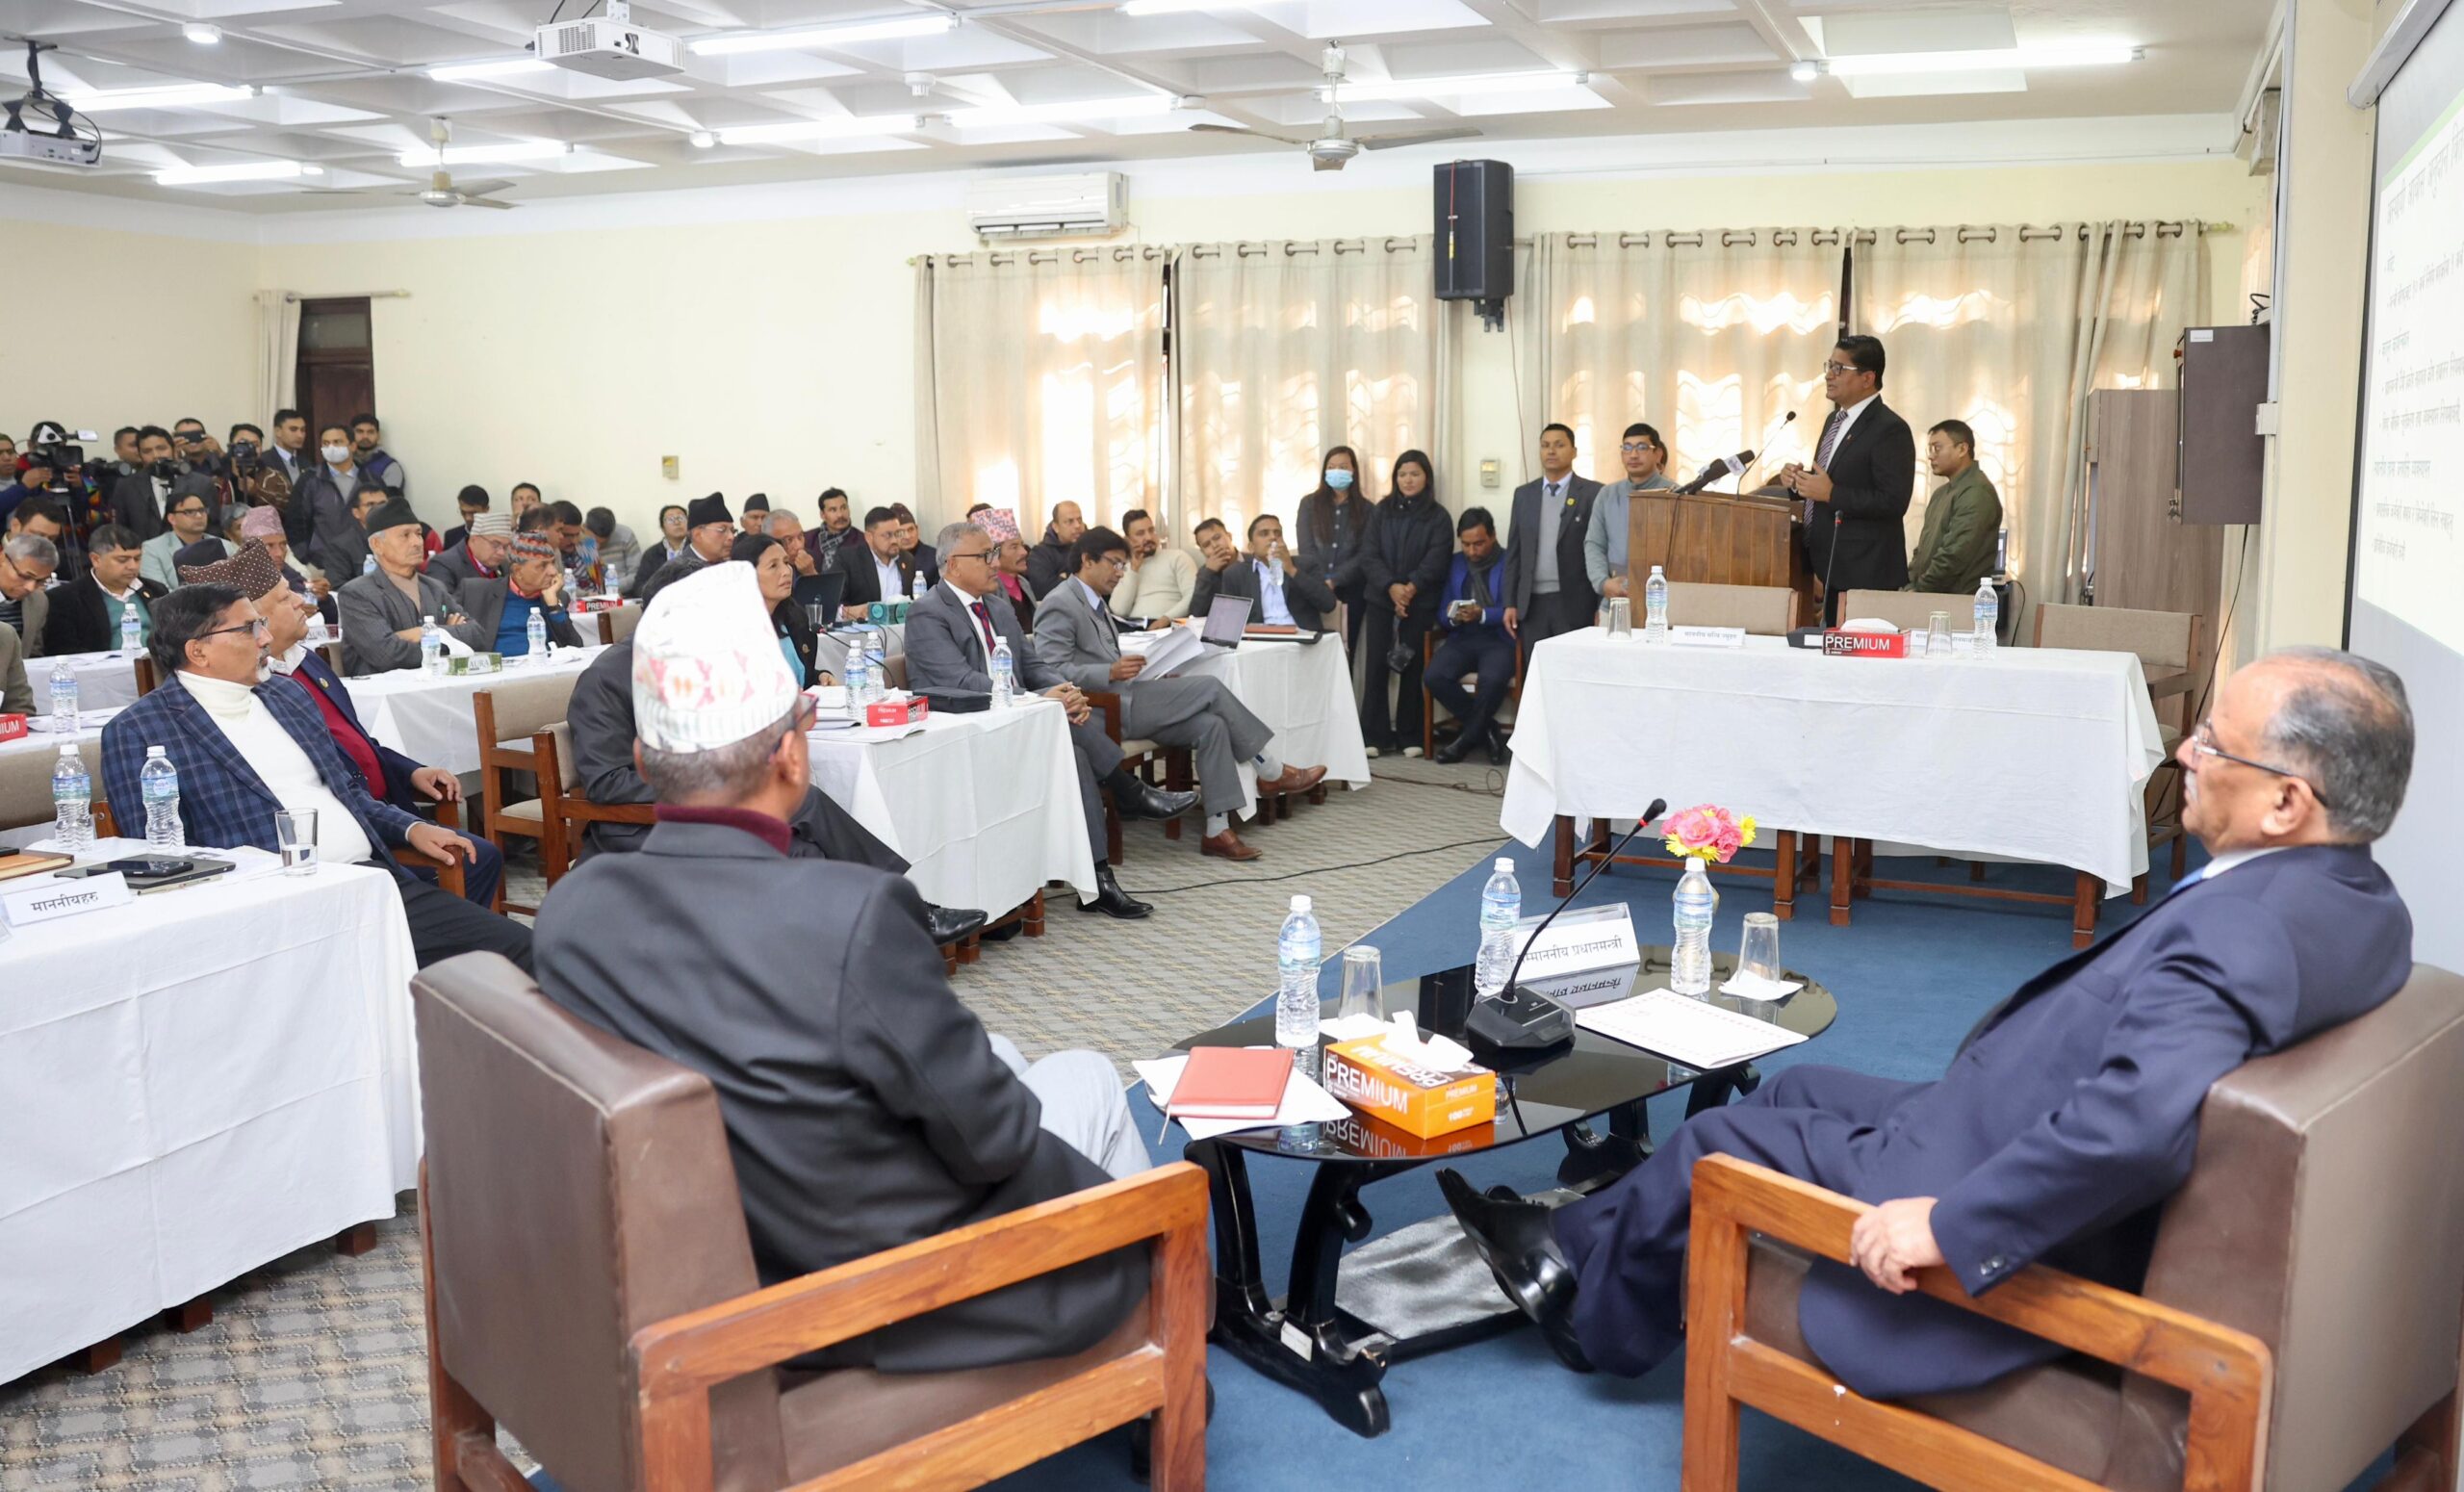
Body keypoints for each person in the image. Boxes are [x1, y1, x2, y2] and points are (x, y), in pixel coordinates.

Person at [1442, 647, 2416, 1398]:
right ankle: (1572, 1237)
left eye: (2212, 743)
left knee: (1716, 1141)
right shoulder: (2364, 903)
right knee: (1796, 1086)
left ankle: (1595, 1318)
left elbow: (2133, 1128)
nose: (2184, 753)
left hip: (1988, 1179)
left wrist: (1954, 1225)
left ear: (2287, 801)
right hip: (2002, 1116)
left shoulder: (2245, 932)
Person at [535, 562, 1146, 1373]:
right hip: (873, 1293)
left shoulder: (572, 910)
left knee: (1000, 1054)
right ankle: (1154, 1324)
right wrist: (1102, 1211)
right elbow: (995, 1142)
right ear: (794, 758)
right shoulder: (849, 916)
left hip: (712, 1259)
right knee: (1089, 1080)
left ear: (645, 762)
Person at [102, 582, 531, 968]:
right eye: (249, 628)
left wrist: (411, 827)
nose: (265, 638)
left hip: (370, 882)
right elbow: (160, 857)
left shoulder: (285, 694)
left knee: (523, 949)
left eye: (261, 624)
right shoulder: (139, 730)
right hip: (271, 914)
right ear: (198, 651)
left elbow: (347, 791)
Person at [560, 574, 988, 946]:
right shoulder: (607, 679)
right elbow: (606, 781)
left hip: (713, 807)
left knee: (805, 818)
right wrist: (714, 780)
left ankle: (894, 920)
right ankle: (899, 921)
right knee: (800, 843)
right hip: (641, 823)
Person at [909, 521, 1198, 918]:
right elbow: (960, 681)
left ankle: (1099, 880)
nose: (995, 563)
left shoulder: (997, 606)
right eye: (985, 555)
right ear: (954, 564)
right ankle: (1127, 794)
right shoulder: (927, 613)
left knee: (1074, 753)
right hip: (970, 732)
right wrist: (1038, 699)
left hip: (1020, 721)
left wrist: (1064, 689)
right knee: (1065, 733)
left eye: (994, 553)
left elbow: (1033, 665)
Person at [1036, 527, 1322, 862]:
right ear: (1087, 560)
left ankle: (1217, 830)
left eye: (1123, 565)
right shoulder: (1060, 603)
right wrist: (1108, 672)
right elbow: (1050, 671)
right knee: (1210, 686)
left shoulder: (1095, 600)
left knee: (1212, 725)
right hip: (1103, 709)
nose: (1120, 573)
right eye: (1115, 563)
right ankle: (1270, 770)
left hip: (1126, 697)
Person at [1783, 334, 1918, 623]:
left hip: (1866, 572)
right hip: (1830, 566)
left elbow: (1893, 501)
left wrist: (1832, 494)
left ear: (1867, 378)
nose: (1828, 375)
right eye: (1829, 366)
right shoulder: (1834, 420)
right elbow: (1828, 483)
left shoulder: (1890, 429)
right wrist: (1799, 483)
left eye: (1839, 368)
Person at [1358, 450, 1450, 759]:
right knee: (1376, 666)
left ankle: (1410, 734)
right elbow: (1369, 554)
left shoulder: (1438, 516)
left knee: (1412, 666)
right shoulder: (1381, 512)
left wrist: (1409, 589)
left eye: (1414, 474)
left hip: (1419, 602)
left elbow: (1436, 560)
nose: (1408, 480)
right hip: (1380, 599)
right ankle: (1374, 734)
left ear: (1426, 478)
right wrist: (1391, 587)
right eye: (1402, 474)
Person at [337, 498, 488, 674]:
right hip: (384, 688)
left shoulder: (434, 587)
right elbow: (387, 655)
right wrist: (450, 640)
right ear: (377, 545)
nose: (417, 542)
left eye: (418, 533)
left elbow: (477, 635)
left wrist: (423, 633)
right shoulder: (357, 594)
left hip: (438, 683)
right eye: (405, 535)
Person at [1502, 423, 1603, 661]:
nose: (1551, 451)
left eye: (1559, 445)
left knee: (1573, 666)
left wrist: (1601, 605)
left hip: (1574, 601)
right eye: (1545, 445)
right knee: (1538, 668)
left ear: (1574, 451)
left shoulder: (1592, 493)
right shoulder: (1524, 494)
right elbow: (1514, 552)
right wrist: (1510, 602)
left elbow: (1601, 551)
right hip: (1531, 603)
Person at [1427, 507, 1514, 765]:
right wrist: (1454, 617)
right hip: (1462, 637)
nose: (1472, 551)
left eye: (1478, 544)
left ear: (1493, 536)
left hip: (1498, 638)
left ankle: (1464, 742)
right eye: (1466, 545)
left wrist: (1483, 614)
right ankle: (1488, 730)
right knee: (1434, 676)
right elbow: (1442, 611)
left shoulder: (1509, 561)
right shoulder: (1454, 563)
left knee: (1493, 679)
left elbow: (1515, 609)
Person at [1582, 422, 1678, 602]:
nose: (1633, 455)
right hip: (1615, 599)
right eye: (1627, 448)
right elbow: (1594, 544)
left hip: (1664, 602)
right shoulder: (1607, 494)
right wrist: (1603, 583)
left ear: (1658, 454)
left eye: (1642, 447)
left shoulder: (1677, 495)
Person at [1191, 514, 1338, 630]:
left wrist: (1291, 570)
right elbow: (1222, 622)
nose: (1272, 537)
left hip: (1302, 639)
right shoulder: (1235, 573)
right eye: (1264, 533)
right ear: (1251, 547)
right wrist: (1208, 574)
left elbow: (1329, 604)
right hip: (1260, 642)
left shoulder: (1304, 564)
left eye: (1277, 533)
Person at [1907, 419, 2003, 596]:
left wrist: (1920, 589)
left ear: (1962, 449)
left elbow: (1955, 554)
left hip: (1956, 601)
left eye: (1937, 448)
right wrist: (1910, 584)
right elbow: (1922, 551)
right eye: (1930, 449)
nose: (1931, 456)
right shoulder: (1941, 493)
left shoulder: (1976, 492)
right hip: (1929, 596)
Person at [1294, 446, 1374, 655]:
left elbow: (1366, 553)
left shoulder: (1367, 509)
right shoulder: (1309, 504)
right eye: (1331, 467)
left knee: (1345, 651)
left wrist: (1335, 580)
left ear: (1353, 471)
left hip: (1351, 591)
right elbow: (1306, 546)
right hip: (1313, 588)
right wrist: (1320, 580)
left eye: (1343, 467)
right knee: (1313, 650)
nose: (1337, 471)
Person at [458, 533, 585, 658]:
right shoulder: (476, 592)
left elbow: (576, 648)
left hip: (542, 668)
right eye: (542, 566)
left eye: (553, 563)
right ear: (518, 571)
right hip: (496, 669)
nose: (553, 572)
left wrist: (554, 607)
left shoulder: (556, 596)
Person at [43, 524, 162, 656]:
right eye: (122, 560)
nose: (132, 566)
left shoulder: (156, 591)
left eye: (137, 559)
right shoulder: (65, 598)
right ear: (96, 560)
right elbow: (64, 650)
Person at [730, 532, 823, 683]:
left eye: (786, 562)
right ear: (747, 575)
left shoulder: (795, 617)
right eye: (773, 566)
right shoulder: (734, 629)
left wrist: (819, 677)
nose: (786, 571)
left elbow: (802, 674)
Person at [628, 493, 734, 599]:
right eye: (722, 530)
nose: (731, 537)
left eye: (733, 531)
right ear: (698, 535)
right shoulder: (675, 572)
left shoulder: (734, 565)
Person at [0, 530, 58, 706]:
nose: (30, 587)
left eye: (41, 581)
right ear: (2, 559)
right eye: (25, 576)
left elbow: (34, 653)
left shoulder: (38, 601)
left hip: (14, 692)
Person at [1110, 508, 1195, 622]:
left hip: (1168, 625)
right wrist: (1134, 570)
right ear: (1128, 540)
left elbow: (1193, 596)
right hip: (1134, 627)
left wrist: (1166, 619)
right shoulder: (1125, 568)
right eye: (1140, 534)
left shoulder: (1177, 557)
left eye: (1151, 530)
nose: (1149, 537)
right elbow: (1119, 611)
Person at [140, 487, 232, 590]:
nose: (199, 516)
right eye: (189, 512)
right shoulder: (152, 549)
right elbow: (158, 591)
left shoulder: (225, 546)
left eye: (202, 510)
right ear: (172, 518)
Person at [1, 498, 66, 643]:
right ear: (15, 525)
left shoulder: (38, 601)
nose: (44, 544)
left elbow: (34, 649)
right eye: (38, 536)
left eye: (52, 539)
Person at [839, 505, 918, 616]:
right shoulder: (849, 559)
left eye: (897, 533)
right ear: (869, 537)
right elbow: (835, 606)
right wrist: (853, 612)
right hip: (863, 626)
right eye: (888, 535)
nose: (895, 540)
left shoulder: (907, 559)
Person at [977, 507, 1037, 633]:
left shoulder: (1024, 583)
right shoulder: (988, 590)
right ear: (994, 554)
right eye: (1014, 547)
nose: (1024, 552)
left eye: (1022, 545)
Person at [428, 511, 511, 590]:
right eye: (495, 545)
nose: (501, 553)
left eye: (505, 547)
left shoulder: (503, 565)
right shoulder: (443, 565)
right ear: (474, 540)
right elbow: (441, 600)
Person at [626, 503, 692, 598]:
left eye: (681, 518)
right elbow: (639, 586)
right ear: (662, 527)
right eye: (670, 519)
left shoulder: (697, 548)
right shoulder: (652, 554)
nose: (677, 522)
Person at [1026, 501, 1085, 600]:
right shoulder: (1040, 554)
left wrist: (1065, 577)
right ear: (1056, 527)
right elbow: (1045, 590)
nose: (1077, 526)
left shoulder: (1091, 545)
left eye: (1079, 520)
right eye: (1070, 521)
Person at [346, 413, 404, 495]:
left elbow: (390, 500)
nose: (365, 436)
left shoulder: (389, 466)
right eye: (360, 431)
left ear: (378, 435)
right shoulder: (342, 462)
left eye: (370, 432)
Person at [585, 506, 638, 590]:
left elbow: (636, 574)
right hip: (589, 594)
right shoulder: (576, 538)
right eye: (594, 541)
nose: (598, 547)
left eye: (603, 542)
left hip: (622, 591)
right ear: (585, 528)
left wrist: (611, 587)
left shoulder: (626, 536)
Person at [891, 502, 939, 590]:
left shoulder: (934, 557)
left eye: (910, 530)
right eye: (900, 532)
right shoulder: (888, 559)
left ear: (917, 529)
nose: (907, 536)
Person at [815, 487, 862, 571]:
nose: (840, 515)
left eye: (843, 508)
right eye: (833, 510)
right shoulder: (808, 540)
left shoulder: (862, 541)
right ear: (822, 515)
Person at [267, 407, 311, 490]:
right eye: (293, 429)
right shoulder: (264, 462)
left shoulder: (306, 463)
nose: (300, 435)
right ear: (278, 431)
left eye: (303, 430)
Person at [440, 485, 491, 553]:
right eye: (463, 512)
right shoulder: (451, 536)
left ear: (486, 509)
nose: (468, 518)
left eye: (473, 513)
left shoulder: (499, 536)